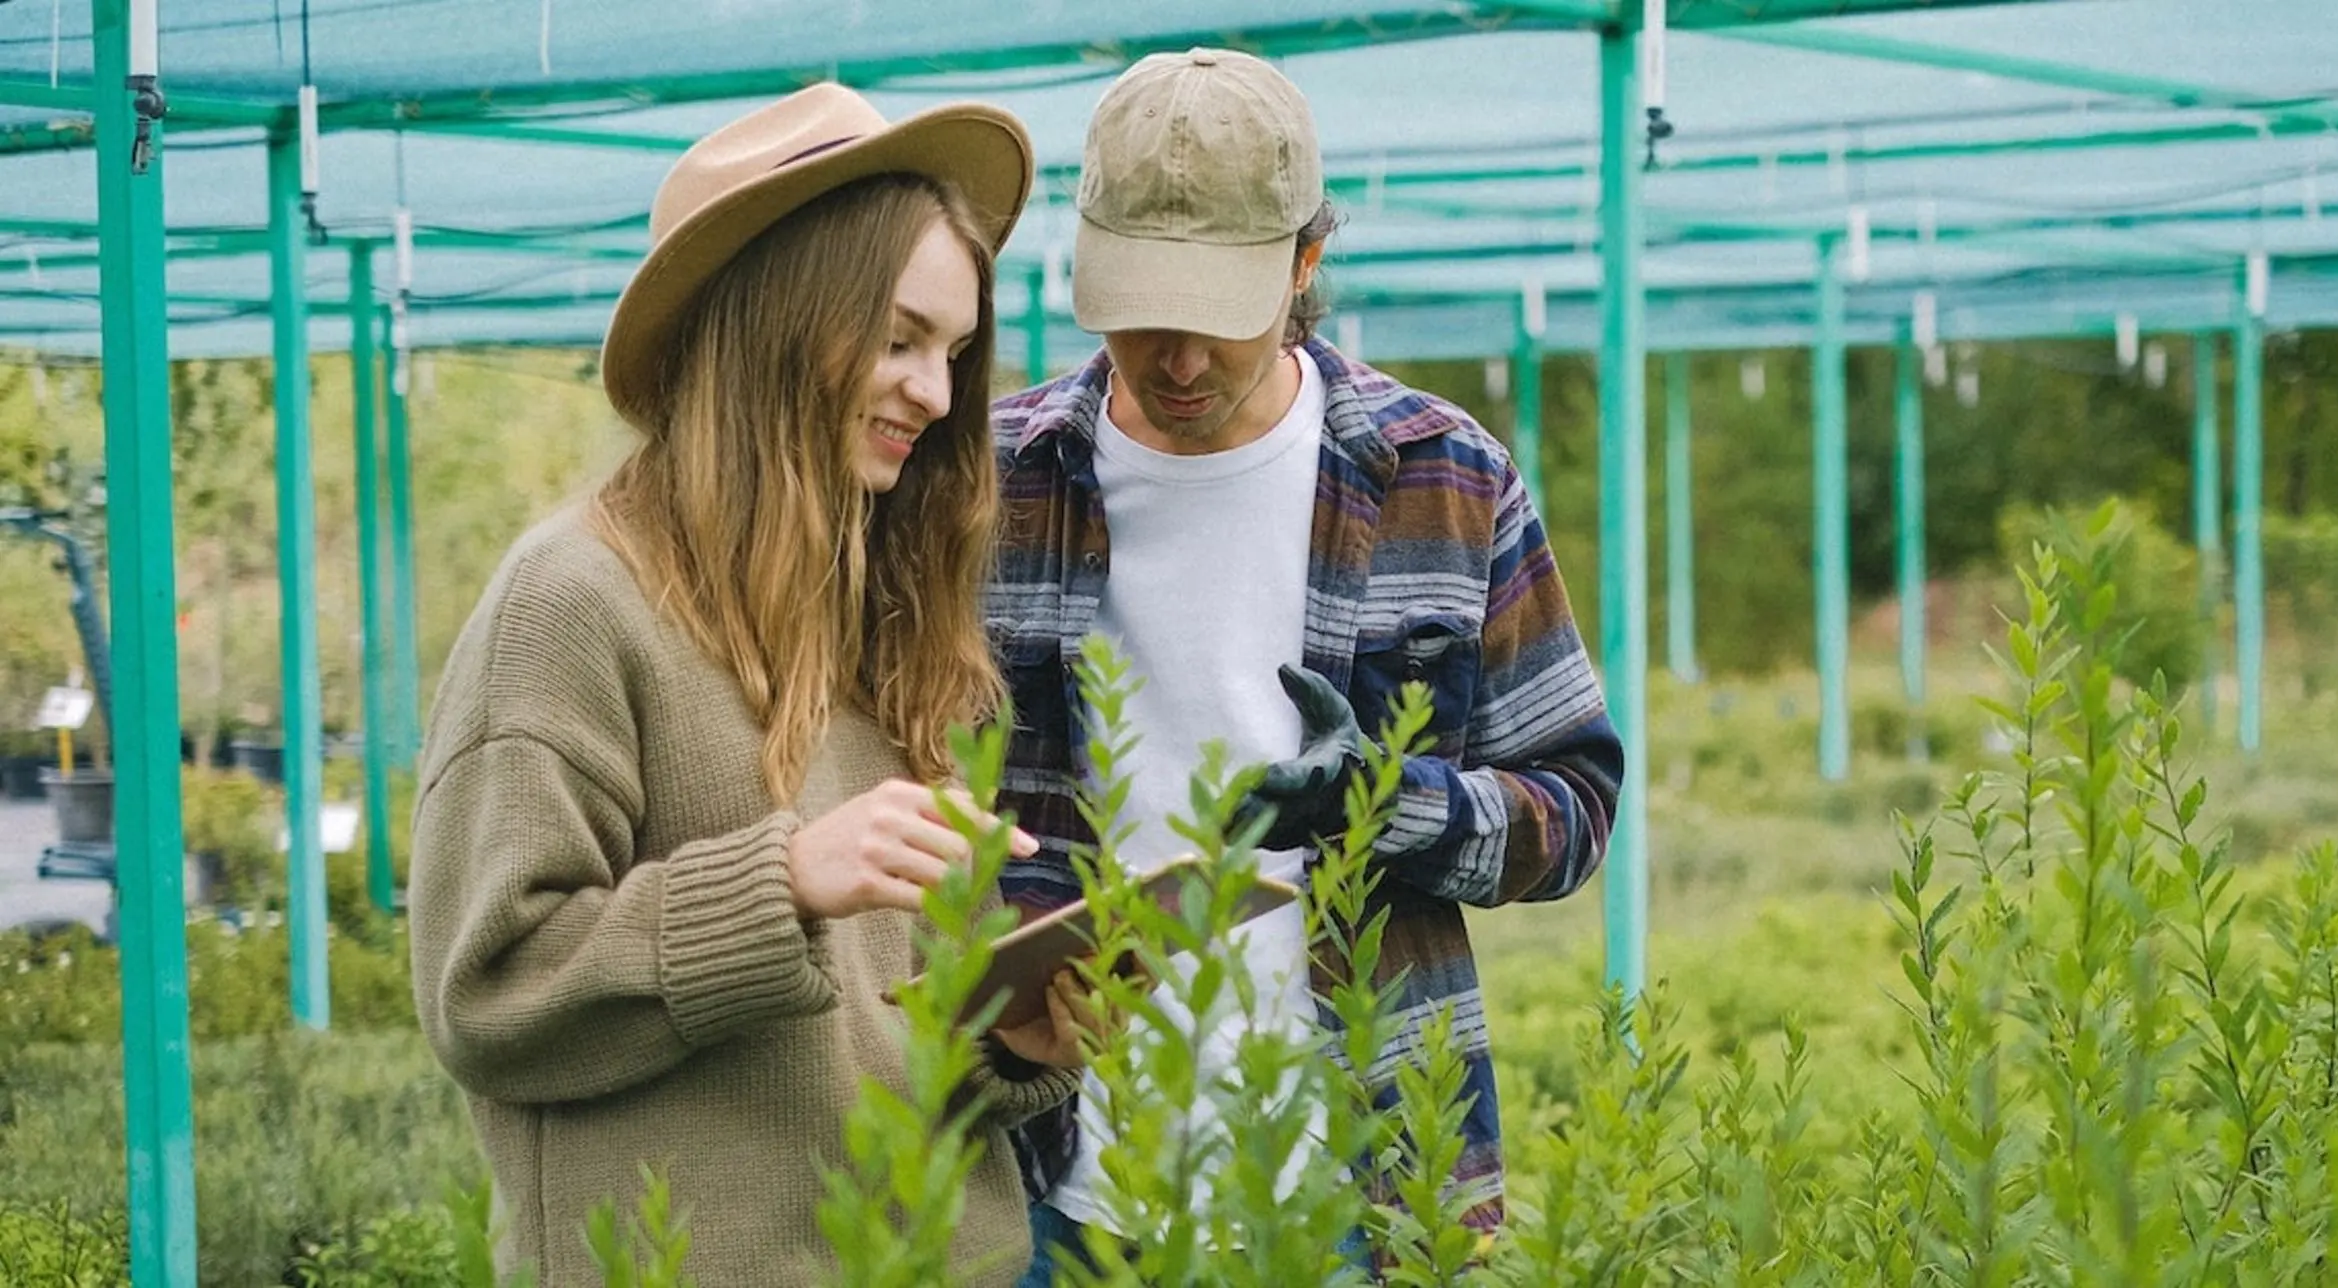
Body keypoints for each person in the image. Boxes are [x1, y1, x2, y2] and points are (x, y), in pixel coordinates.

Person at [408, 84, 1098, 1288]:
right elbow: (488, 991)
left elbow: (865, 1030)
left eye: (951, 351)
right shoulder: (573, 602)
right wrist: (779, 880)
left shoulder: (889, 612)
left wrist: (1007, 1032)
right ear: (778, 320)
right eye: (899, 338)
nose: (938, 396)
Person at [987, 48, 1624, 1281]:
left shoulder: (1443, 477)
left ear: (1307, 263)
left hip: (1353, 1183)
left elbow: (1578, 806)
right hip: (1054, 1181)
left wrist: (1387, 804)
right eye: (1142, 310)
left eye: (1216, 316)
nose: (1175, 358)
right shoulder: (992, 482)